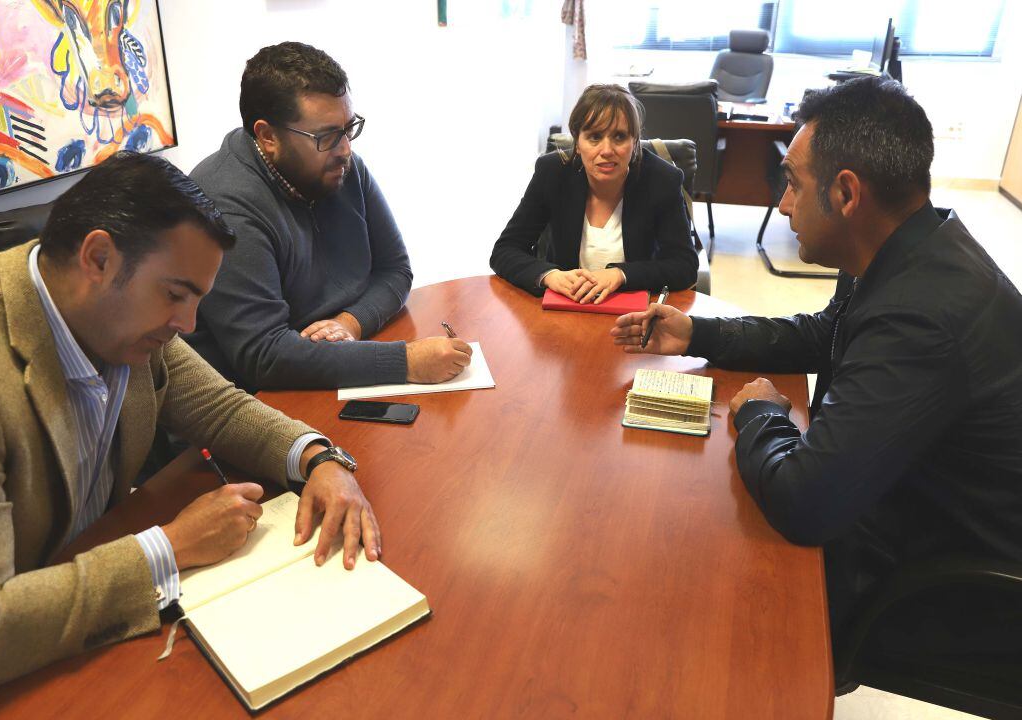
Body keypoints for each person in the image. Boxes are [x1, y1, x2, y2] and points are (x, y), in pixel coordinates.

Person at [0, 152, 381, 719]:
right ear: (98, 258)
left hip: (88, 607)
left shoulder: (113, 312)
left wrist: (320, 458)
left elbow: (221, 409)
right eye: (176, 295)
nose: (188, 325)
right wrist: (169, 547)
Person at [611, 76, 1022, 667]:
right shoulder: (905, 245)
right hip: (902, 503)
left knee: (685, 585)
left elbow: (805, 503)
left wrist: (762, 414)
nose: (783, 204)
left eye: (793, 184)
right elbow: (824, 336)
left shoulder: (922, 316)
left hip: (952, 590)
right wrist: (698, 333)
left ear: (847, 193)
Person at [185, 41, 471, 391]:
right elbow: (264, 355)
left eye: (349, 128)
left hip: (334, 364)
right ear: (268, 136)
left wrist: (349, 324)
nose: (346, 149)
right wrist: (404, 362)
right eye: (327, 136)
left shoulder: (341, 167)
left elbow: (395, 269)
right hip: (258, 397)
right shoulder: (224, 203)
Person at [490, 84, 698, 304]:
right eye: (594, 137)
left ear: (634, 141)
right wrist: (550, 276)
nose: (606, 150)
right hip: (565, 308)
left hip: (632, 313)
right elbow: (505, 250)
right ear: (577, 142)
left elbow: (684, 266)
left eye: (619, 137)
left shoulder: (662, 180)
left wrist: (621, 274)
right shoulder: (552, 173)